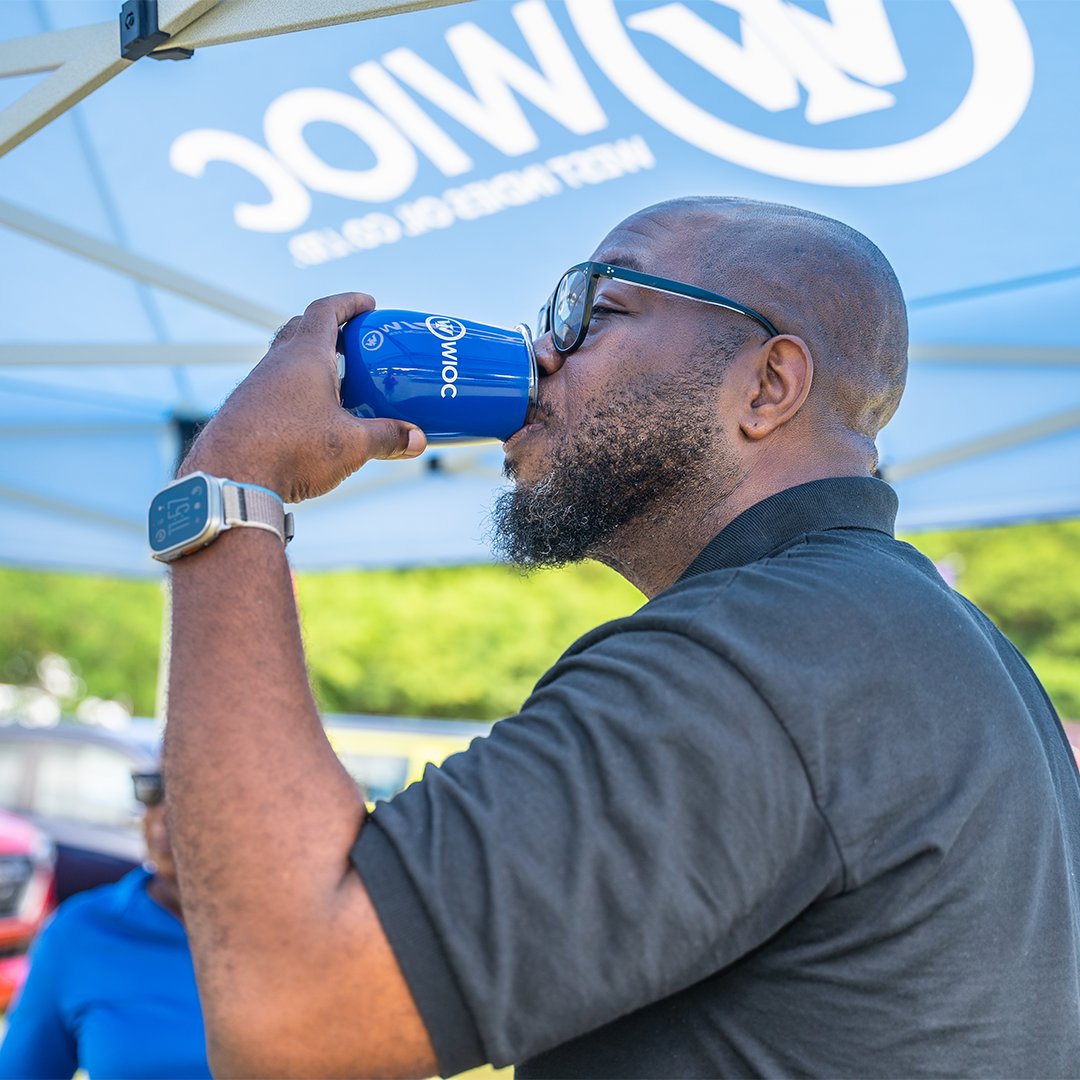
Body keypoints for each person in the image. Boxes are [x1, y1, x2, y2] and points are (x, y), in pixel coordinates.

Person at [161, 196, 1080, 1078]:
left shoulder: (759, 654)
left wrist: (234, 482)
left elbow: (293, 1011)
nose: (541, 354)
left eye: (594, 311)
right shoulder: (923, 641)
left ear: (767, 385)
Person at [0, 769, 210, 1079]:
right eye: (153, 788)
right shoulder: (82, 932)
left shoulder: (299, 936)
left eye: (191, 788)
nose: (165, 812)